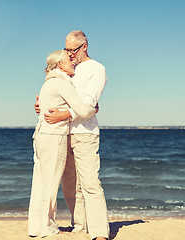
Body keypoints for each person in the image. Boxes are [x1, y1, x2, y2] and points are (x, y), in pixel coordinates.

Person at [35, 31, 109, 240]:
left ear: (84, 46)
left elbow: (89, 103)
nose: (69, 54)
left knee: (90, 183)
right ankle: (80, 225)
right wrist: (43, 107)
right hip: (61, 134)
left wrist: (64, 115)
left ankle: (99, 232)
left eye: (72, 50)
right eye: (66, 49)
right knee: (69, 184)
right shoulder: (69, 68)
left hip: (84, 133)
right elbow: (58, 96)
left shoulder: (97, 69)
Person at [28, 50, 97, 238]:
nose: (72, 61)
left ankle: (36, 226)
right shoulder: (60, 83)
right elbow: (83, 110)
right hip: (53, 137)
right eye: (69, 59)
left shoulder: (50, 82)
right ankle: (46, 227)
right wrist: (94, 108)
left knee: (41, 183)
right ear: (59, 64)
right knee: (50, 184)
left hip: (42, 136)